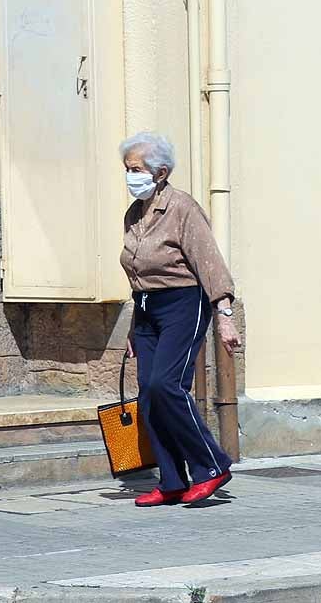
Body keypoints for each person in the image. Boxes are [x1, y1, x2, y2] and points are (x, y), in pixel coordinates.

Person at [119, 132, 241, 506]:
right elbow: (137, 273)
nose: (129, 176)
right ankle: (171, 480)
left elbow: (209, 262)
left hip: (183, 304)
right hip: (146, 309)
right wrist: (132, 327)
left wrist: (224, 314)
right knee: (148, 396)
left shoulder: (182, 208)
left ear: (161, 172)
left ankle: (212, 465)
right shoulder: (134, 214)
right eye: (126, 169)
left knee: (166, 385)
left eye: (136, 169)